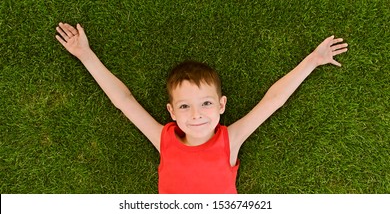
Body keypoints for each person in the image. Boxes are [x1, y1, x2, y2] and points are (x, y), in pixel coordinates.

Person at [55, 22, 348, 193]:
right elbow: (124, 100)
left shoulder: (228, 140)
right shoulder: (164, 139)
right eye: (185, 106)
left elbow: (273, 101)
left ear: (222, 105)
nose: (196, 115)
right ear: (171, 111)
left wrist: (312, 60)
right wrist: (85, 55)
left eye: (206, 103)